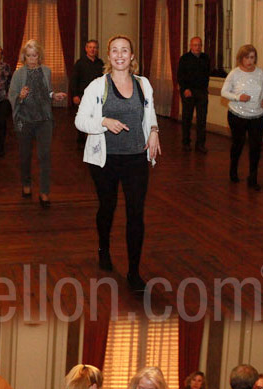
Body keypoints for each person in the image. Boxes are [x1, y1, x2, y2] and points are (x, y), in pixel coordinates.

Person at [75, 34, 160, 290]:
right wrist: (103, 122)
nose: (120, 55)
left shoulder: (143, 84)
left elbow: (150, 112)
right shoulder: (96, 86)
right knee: (108, 207)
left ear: (132, 56)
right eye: (115, 50)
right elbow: (80, 121)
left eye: (125, 50)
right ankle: (104, 247)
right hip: (105, 161)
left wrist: (154, 130)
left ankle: (134, 271)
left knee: (136, 213)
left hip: (136, 158)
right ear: (109, 56)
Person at [8, 39, 67, 206]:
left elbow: (46, 92)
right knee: (25, 155)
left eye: (34, 55)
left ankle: (44, 192)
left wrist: (54, 96)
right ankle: (26, 184)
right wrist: (20, 96)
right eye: (28, 56)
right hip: (25, 121)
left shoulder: (46, 71)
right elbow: (11, 96)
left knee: (45, 156)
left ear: (39, 56)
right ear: (24, 57)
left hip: (44, 120)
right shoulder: (18, 74)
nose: (32, 59)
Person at [221, 45, 263, 190]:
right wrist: (238, 97)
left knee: (256, 148)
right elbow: (224, 92)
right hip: (237, 115)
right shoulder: (234, 73)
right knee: (238, 144)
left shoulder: (260, 73)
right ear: (241, 58)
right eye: (247, 57)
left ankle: (252, 178)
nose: (250, 61)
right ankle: (233, 170)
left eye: (252, 57)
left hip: (257, 115)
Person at [177, 37, 210, 153]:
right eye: (195, 45)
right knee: (187, 119)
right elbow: (180, 76)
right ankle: (186, 143)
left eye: (199, 45)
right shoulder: (184, 59)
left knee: (202, 120)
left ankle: (200, 144)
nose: (197, 47)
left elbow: (207, 75)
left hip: (202, 92)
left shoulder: (205, 58)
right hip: (188, 92)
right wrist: (185, 89)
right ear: (191, 46)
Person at [69, 39, 104, 144]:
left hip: (97, 96)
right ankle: (81, 141)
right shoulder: (80, 63)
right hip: (82, 95)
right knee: (83, 117)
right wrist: (75, 95)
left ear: (97, 50)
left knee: (96, 117)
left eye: (95, 47)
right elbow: (74, 80)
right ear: (86, 49)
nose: (92, 49)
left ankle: (94, 140)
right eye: (90, 47)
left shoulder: (100, 63)